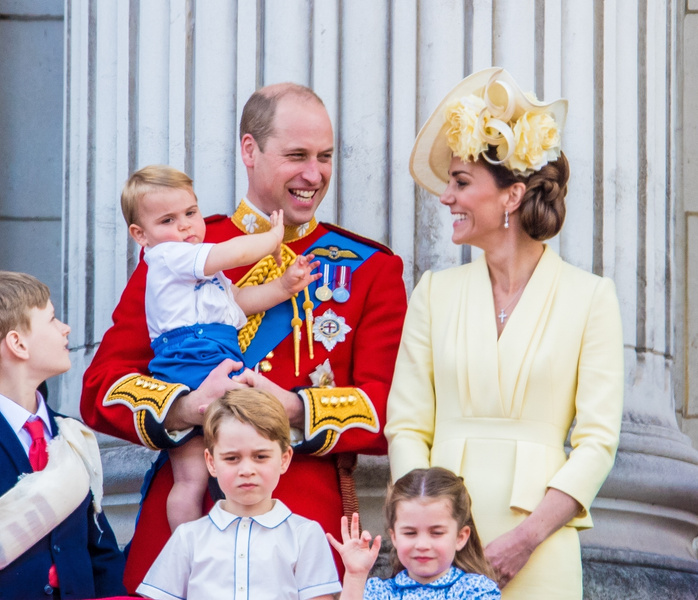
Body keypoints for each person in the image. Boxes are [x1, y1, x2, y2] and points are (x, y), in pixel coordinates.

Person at [81, 82, 407, 593]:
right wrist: (185, 407)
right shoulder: (183, 246)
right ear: (249, 150)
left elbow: (389, 410)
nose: (313, 174)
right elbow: (101, 386)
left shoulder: (370, 269)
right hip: (188, 518)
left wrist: (296, 408)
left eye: (324, 157)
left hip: (300, 523)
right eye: (296, 155)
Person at [384, 67, 624, 599]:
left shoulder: (591, 298)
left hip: (541, 542)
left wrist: (528, 537)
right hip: (438, 549)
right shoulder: (433, 291)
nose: (446, 198)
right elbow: (405, 425)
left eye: (462, 182)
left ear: (512, 196)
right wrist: (423, 528)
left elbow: (597, 441)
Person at [121, 164, 320, 531]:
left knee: (199, 477)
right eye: (168, 219)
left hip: (209, 355)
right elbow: (230, 253)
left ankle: (209, 546)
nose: (184, 226)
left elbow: (239, 302)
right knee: (206, 473)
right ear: (141, 234)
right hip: (191, 360)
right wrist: (274, 237)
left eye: (191, 213)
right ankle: (188, 548)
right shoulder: (169, 256)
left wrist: (284, 287)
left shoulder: (198, 269)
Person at [137, 389, 341, 600]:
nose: (246, 470)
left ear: (284, 459)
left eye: (260, 456)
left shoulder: (304, 535)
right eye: (232, 458)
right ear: (211, 462)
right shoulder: (188, 537)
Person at [0, 271, 126, 599]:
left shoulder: (73, 435)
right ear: (18, 343)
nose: (65, 328)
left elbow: (99, 549)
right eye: (53, 320)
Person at [327, 467, 500, 599]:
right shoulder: (379, 592)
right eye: (410, 533)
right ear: (394, 536)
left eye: (437, 533)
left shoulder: (476, 590)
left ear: (460, 537)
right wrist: (355, 575)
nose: (422, 545)